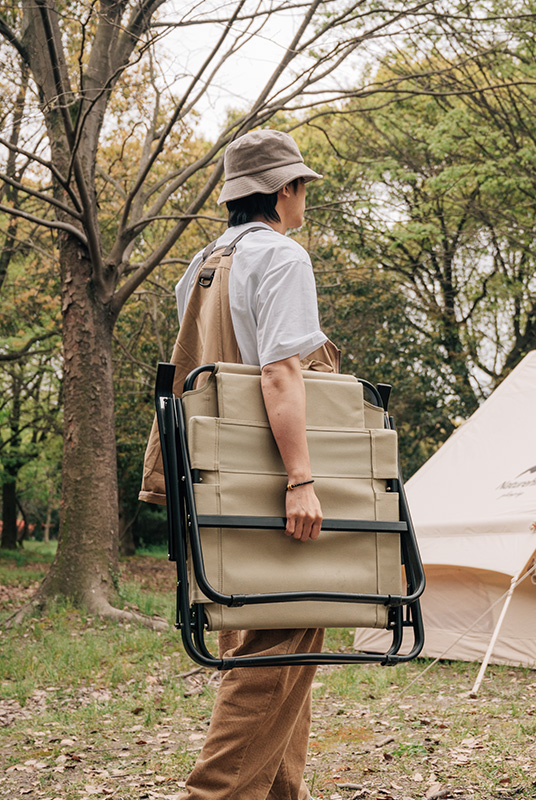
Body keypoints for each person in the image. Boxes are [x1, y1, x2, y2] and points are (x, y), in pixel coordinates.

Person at [145, 129, 335, 800]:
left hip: (211, 478)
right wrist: (303, 480)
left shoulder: (199, 266)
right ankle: (214, 795)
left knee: (257, 640)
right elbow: (282, 375)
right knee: (286, 631)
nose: (304, 198)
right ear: (284, 191)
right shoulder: (281, 258)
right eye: (302, 187)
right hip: (265, 478)